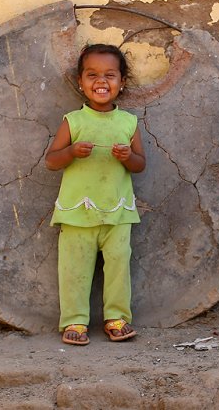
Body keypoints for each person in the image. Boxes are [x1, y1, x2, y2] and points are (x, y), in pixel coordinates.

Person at [45, 44, 145, 346]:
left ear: (122, 82)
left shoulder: (128, 122)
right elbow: (51, 161)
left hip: (118, 211)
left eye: (110, 75)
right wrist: (72, 151)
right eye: (92, 75)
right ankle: (74, 321)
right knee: (74, 268)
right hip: (78, 212)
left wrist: (128, 157)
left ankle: (117, 318)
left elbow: (140, 165)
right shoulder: (73, 121)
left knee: (118, 265)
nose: (101, 82)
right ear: (80, 81)